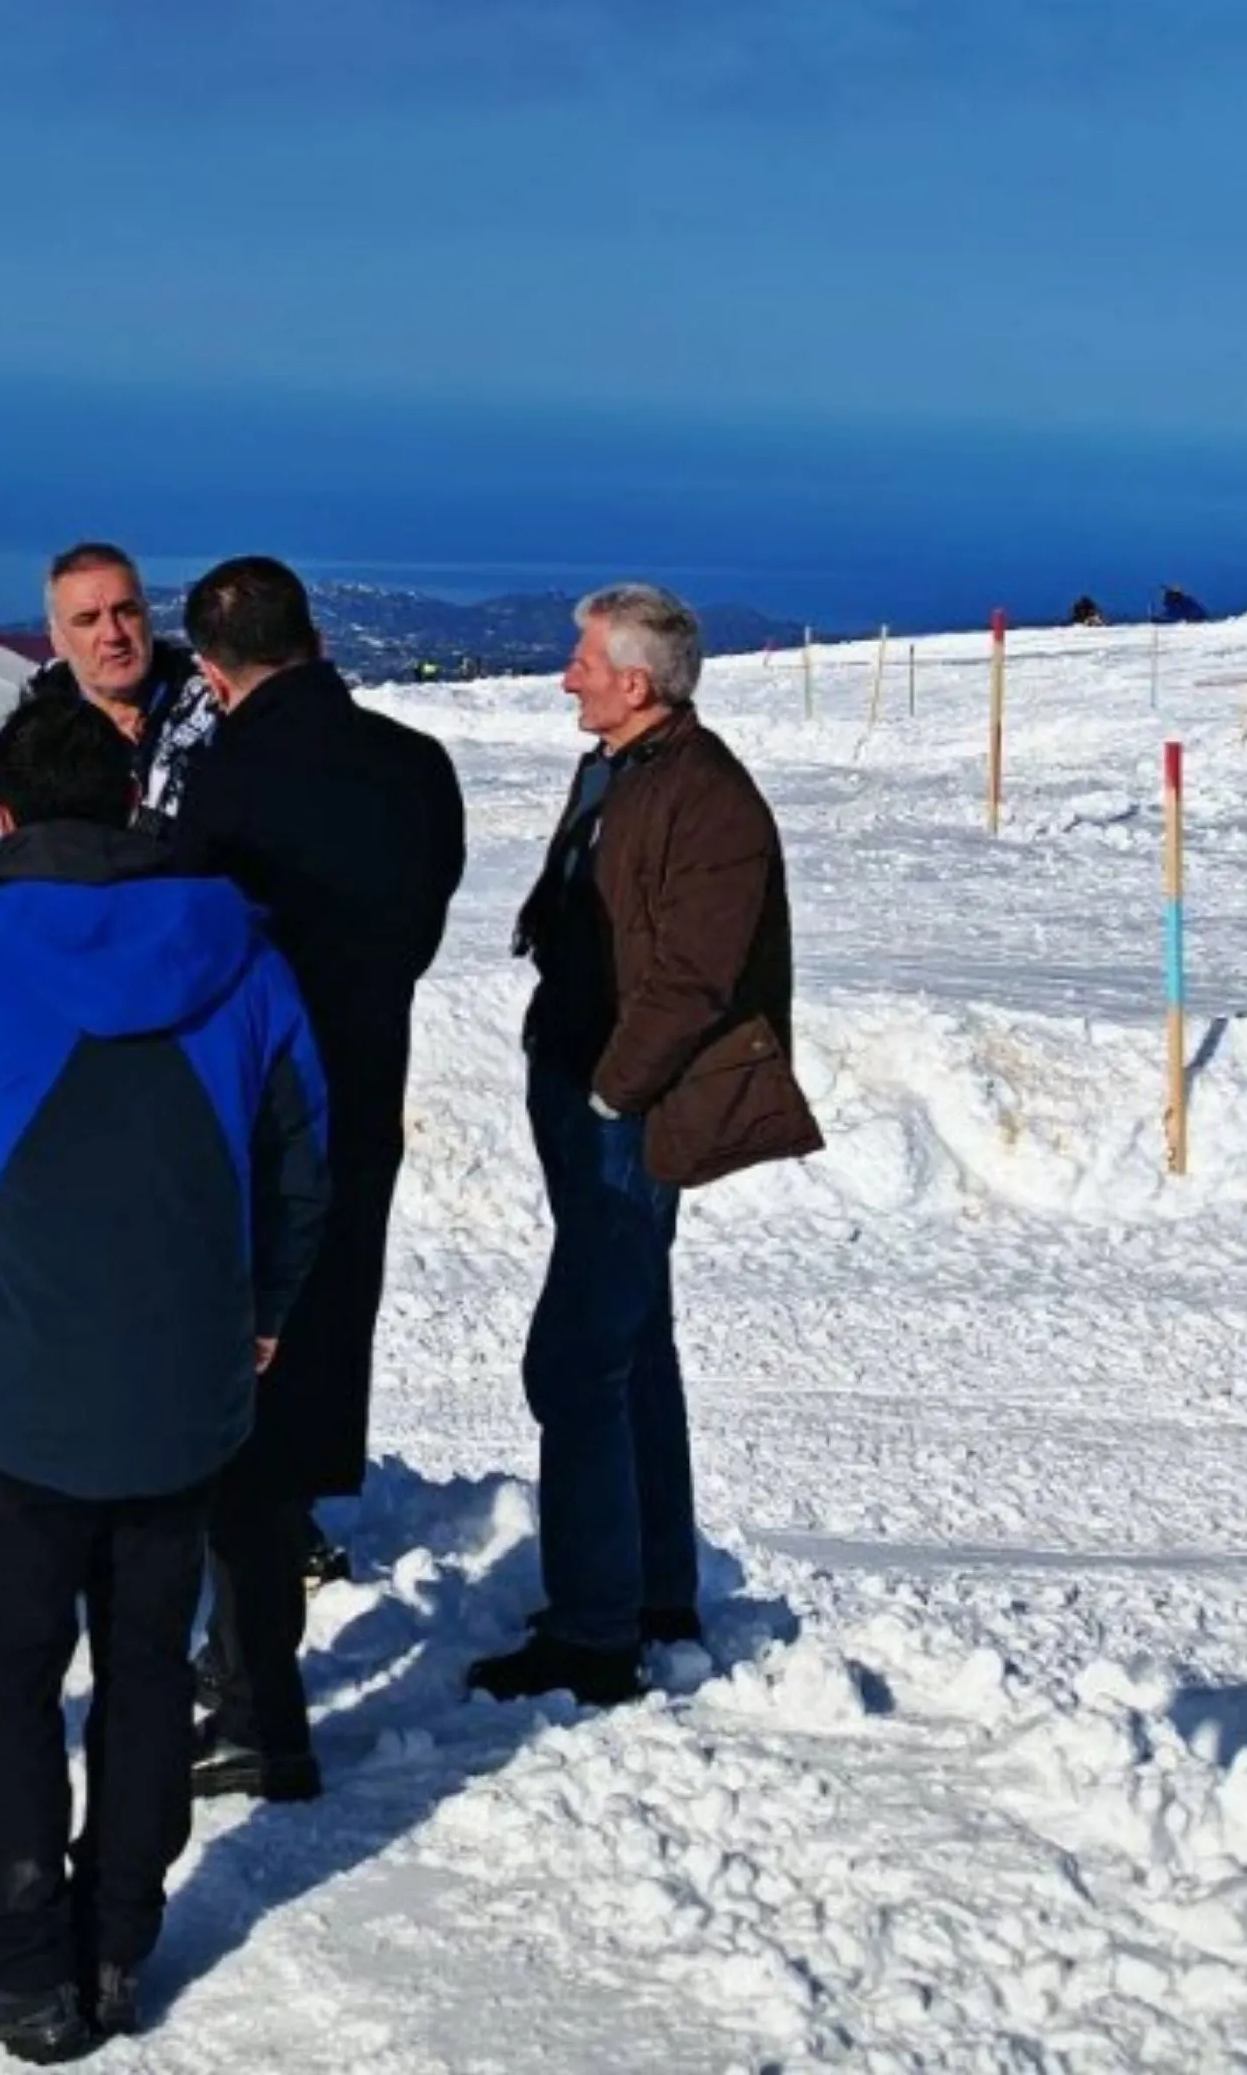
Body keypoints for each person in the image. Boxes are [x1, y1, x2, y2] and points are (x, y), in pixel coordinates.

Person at [0, 699, 329, 2060]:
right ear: (133, 797)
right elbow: (303, 1159)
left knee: (6, 1679)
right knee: (140, 1665)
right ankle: (120, 1942)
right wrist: (269, 1312)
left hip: (6, 1374)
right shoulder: (243, 949)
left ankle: (22, 1963)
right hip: (183, 1378)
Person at [469, 585, 824, 1711]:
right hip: (583, 1095)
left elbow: (694, 977)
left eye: (583, 661)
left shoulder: (706, 797)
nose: (566, 674)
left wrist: (616, 1092)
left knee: (578, 1361)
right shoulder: (624, 766)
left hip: (623, 1111)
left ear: (636, 680)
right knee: (633, 1343)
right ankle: (650, 1591)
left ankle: (593, 1633)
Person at [167, 556, 465, 1803]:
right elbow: (422, 929)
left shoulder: (222, 787)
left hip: (251, 1123)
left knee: (239, 1401)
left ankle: (253, 1700)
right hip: (365, 1100)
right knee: (317, 1361)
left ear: (210, 667)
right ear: (316, 638)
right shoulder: (414, 768)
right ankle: (256, 1654)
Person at [0, 541, 221, 911]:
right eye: (87, 619)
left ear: (147, 617)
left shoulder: (220, 719)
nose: (113, 634)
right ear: (58, 640)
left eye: (126, 611)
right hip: (56, 943)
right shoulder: (26, 742)